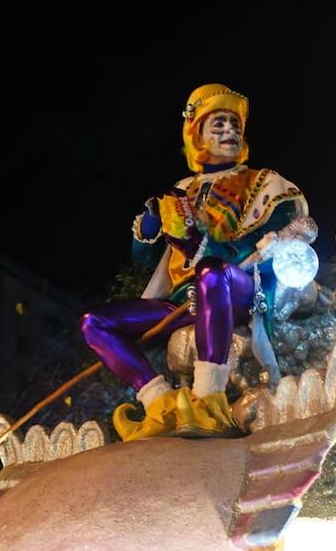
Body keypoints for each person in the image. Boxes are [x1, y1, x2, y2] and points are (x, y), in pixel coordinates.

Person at [79, 84, 309, 441]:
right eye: (218, 125)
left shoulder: (263, 183)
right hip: (183, 303)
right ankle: (159, 402)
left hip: (238, 289)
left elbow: (289, 231)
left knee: (211, 272)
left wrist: (246, 240)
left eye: (234, 124)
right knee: (95, 323)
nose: (230, 131)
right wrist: (152, 226)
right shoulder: (179, 192)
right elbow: (144, 258)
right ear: (196, 134)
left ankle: (208, 397)